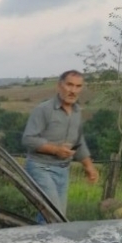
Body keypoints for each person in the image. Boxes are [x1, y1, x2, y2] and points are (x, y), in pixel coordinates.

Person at [21, 70, 98, 216]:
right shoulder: (43, 109)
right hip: (41, 167)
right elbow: (28, 139)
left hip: (64, 170)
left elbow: (79, 140)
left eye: (78, 86)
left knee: (57, 218)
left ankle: (38, 238)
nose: (73, 90)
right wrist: (55, 150)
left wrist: (89, 166)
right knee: (53, 215)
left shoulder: (77, 112)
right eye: (69, 85)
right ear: (59, 86)